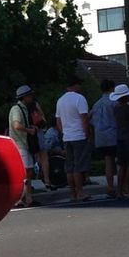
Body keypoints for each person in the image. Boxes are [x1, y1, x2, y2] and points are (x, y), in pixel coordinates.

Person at [53, 72, 92, 204]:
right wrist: (87, 134)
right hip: (79, 135)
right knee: (78, 165)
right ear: (75, 85)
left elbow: (57, 121)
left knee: (69, 166)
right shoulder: (80, 99)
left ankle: (73, 193)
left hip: (67, 137)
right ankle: (80, 191)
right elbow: (84, 118)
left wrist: (64, 132)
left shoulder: (60, 100)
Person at [89, 77, 119, 198]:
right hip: (113, 134)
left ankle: (110, 186)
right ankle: (121, 186)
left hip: (100, 136)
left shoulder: (96, 104)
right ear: (112, 88)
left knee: (108, 162)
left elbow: (90, 119)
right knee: (118, 161)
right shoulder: (114, 102)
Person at [8, 86, 35, 207]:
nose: (31, 97)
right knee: (24, 172)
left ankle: (27, 197)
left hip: (24, 144)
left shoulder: (24, 109)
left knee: (28, 171)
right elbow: (16, 125)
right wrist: (28, 130)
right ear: (25, 97)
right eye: (29, 95)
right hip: (19, 144)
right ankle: (21, 197)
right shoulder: (17, 109)